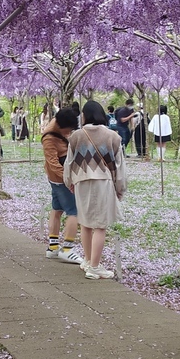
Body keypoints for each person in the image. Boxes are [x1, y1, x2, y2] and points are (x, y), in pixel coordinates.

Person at [63, 101, 127, 279]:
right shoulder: (112, 136)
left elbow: (69, 162)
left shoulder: (76, 136)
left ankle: (87, 260)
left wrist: (69, 181)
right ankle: (95, 267)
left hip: (81, 181)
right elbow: (119, 167)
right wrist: (120, 189)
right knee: (100, 225)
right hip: (102, 182)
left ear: (84, 115)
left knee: (85, 223)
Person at [41, 107, 81, 264]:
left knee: (57, 209)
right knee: (74, 211)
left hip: (56, 179)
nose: (69, 132)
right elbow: (52, 163)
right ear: (62, 126)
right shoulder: (49, 138)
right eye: (68, 130)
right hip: (60, 179)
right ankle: (67, 249)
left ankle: (52, 248)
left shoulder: (57, 122)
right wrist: (68, 179)